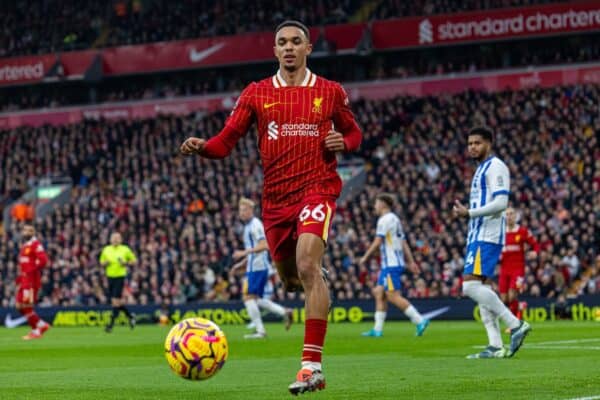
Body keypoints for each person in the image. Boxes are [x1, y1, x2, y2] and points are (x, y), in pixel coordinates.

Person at [180, 19, 362, 394]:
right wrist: (203, 147)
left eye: (297, 41)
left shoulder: (329, 92)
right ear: (275, 50)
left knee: (309, 265)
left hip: (318, 189)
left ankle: (311, 367)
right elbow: (225, 142)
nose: (290, 47)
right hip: (276, 201)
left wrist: (344, 143)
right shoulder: (256, 93)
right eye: (283, 42)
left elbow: (354, 132)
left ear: (308, 48)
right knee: (292, 280)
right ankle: (316, 284)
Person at [452, 127, 531, 359]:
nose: (472, 147)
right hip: (476, 235)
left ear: (489, 143)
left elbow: (501, 203)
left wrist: (470, 213)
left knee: (469, 287)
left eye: (477, 143)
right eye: (470, 143)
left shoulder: (496, 167)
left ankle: (516, 324)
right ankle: (495, 345)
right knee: (483, 290)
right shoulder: (480, 170)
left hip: (487, 236)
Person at [358, 193, 430, 337]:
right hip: (391, 264)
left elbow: (378, 241)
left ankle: (419, 320)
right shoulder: (395, 219)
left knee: (392, 296)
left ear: (384, 204)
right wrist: (411, 262)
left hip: (391, 264)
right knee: (379, 293)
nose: (375, 206)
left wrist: (365, 257)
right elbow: (403, 242)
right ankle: (377, 330)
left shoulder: (384, 220)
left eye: (377, 203)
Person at [230, 197, 293, 338]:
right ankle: (285, 312)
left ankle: (261, 331)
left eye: (244, 210)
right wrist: (241, 263)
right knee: (254, 299)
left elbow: (265, 245)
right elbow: (254, 249)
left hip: (258, 267)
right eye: (240, 210)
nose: (242, 213)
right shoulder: (248, 226)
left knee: (248, 298)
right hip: (254, 267)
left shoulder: (255, 225)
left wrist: (243, 253)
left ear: (251, 210)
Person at [499, 207, 539, 318]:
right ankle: (520, 306)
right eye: (507, 214)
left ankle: (514, 324)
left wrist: (535, 252)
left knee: (512, 296)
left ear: (516, 216)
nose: (509, 216)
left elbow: (535, 244)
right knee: (504, 299)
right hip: (504, 269)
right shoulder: (501, 233)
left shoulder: (522, 231)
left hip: (518, 268)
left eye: (511, 214)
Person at [15, 224, 50, 340]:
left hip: (30, 281)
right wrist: (20, 279)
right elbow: (24, 263)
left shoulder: (36, 244)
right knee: (19, 306)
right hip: (24, 280)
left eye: (28, 230)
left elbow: (44, 260)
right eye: (24, 230)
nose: (25, 232)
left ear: (33, 233)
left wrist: (31, 270)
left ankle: (36, 330)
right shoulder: (25, 245)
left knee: (26, 306)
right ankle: (41, 325)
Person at [99, 232, 137, 333]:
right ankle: (130, 317)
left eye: (117, 238)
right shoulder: (106, 249)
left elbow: (134, 261)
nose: (115, 240)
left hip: (120, 276)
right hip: (109, 277)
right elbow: (101, 262)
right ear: (110, 239)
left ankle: (110, 325)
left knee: (115, 301)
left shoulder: (125, 249)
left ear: (121, 239)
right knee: (117, 303)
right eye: (113, 238)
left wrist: (125, 263)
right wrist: (105, 263)